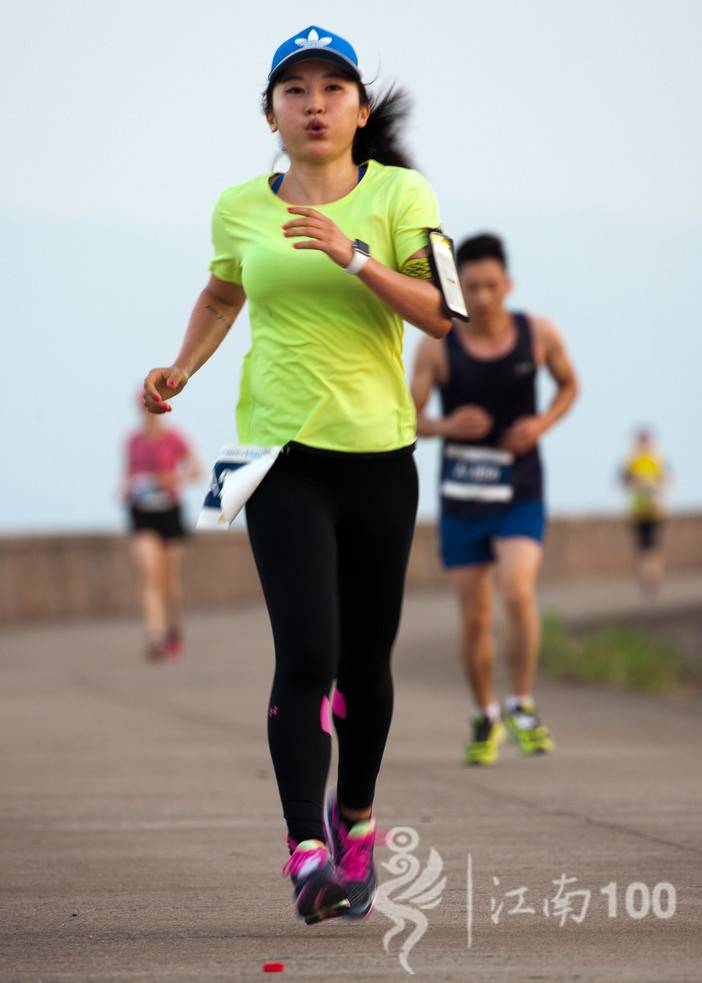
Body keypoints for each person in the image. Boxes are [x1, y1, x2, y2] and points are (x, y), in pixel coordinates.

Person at [141, 25, 452, 925]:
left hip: (380, 458)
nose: (314, 104)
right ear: (270, 114)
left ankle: (355, 818)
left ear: (360, 109)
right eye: (294, 91)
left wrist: (354, 256)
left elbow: (442, 314)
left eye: (331, 89)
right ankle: (307, 851)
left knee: (366, 666)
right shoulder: (240, 206)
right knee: (308, 652)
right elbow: (223, 291)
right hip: (278, 458)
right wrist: (182, 366)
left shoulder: (401, 194)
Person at [411, 233, 578, 766]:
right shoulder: (438, 344)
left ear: (508, 284)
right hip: (462, 495)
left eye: (491, 285)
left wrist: (540, 425)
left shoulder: (538, 334)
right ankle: (485, 714)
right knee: (475, 615)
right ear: (456, 287)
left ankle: (521, 705)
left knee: (517, 591)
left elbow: (569, 386)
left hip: (520, 488)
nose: (482, 297)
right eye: (472, 286)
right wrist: (447, 426)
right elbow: (408, 416)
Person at [123, 395, 201, 661]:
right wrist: (127, 487)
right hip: (142, 512)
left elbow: (196, 471)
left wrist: (173, 478)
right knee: (150, 573)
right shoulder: (133, 441)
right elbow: (128, 473)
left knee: (170, 580)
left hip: (169, 512)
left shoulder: (174, 438)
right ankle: (155, 636)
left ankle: (174, 630)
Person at [620, 427, 668, 598]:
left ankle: (654, 578)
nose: (643, 444)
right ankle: (645, 580)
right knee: (641, 548)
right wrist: (636, 482)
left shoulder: (657, 459)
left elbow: (665, 481)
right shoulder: (631, 460)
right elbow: (623, 481)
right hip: (638, 511)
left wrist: (653, 486)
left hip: (654, 510)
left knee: (654, 548)